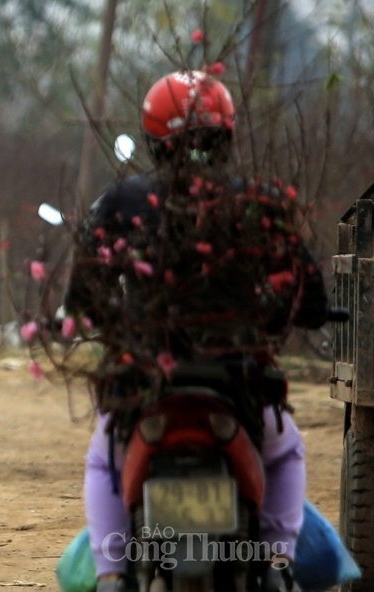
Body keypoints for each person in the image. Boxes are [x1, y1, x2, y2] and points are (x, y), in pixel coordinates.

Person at [63, 71, 330, 592]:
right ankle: (277, 565)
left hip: (147, 381)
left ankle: (112, 574)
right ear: (225, 134)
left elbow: (83, 300)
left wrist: (116, 322)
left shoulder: (119, 202)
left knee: (103, 458)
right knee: (285, 448)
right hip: (237, 380)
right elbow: (311, 298)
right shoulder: (261, 202)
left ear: (152, 138)